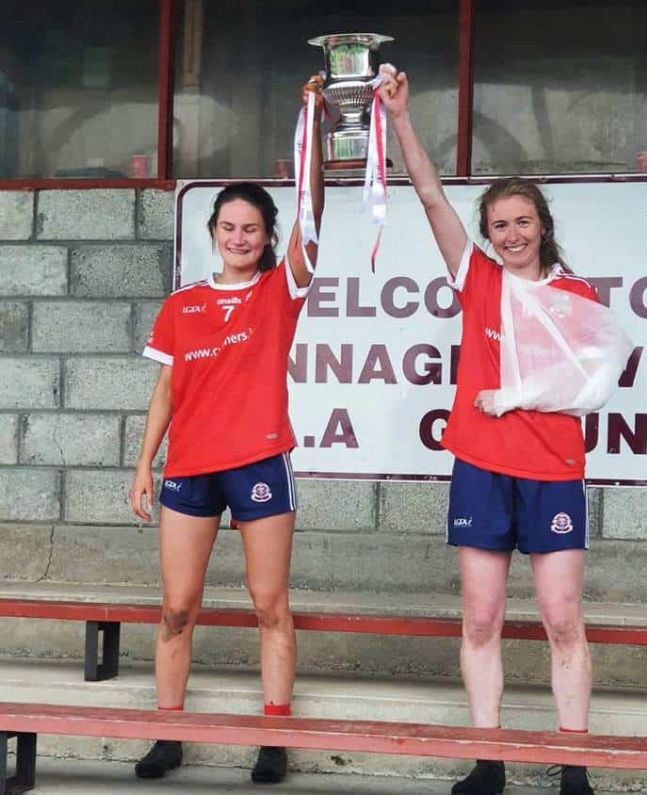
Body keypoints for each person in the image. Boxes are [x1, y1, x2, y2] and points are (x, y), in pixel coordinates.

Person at [378, 68, 597, 795]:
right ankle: (488, 758)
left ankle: (574, 766)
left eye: (521, 222)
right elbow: (431, 195)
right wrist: (402, 118)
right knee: (479, 618)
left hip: (552, 468)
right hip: (479, 463)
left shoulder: (574, 296)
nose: (509, 235)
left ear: (542, 227)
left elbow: (588, 385)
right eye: (498, 224)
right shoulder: (478, 280)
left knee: (562, 619)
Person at [127, 75, 325, 785]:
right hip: (191, 467)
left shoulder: (280, 292)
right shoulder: (181, 306)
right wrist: (145, 463)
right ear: (212, 232)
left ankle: (274, 733)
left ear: (267, 236)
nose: (240, 237)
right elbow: (166, 392)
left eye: (252, 228)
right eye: (228, 227)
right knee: (177, 608)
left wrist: (315, 127)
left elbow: (316, 218)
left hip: (260, 461)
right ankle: (168, 731)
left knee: (269, 603)